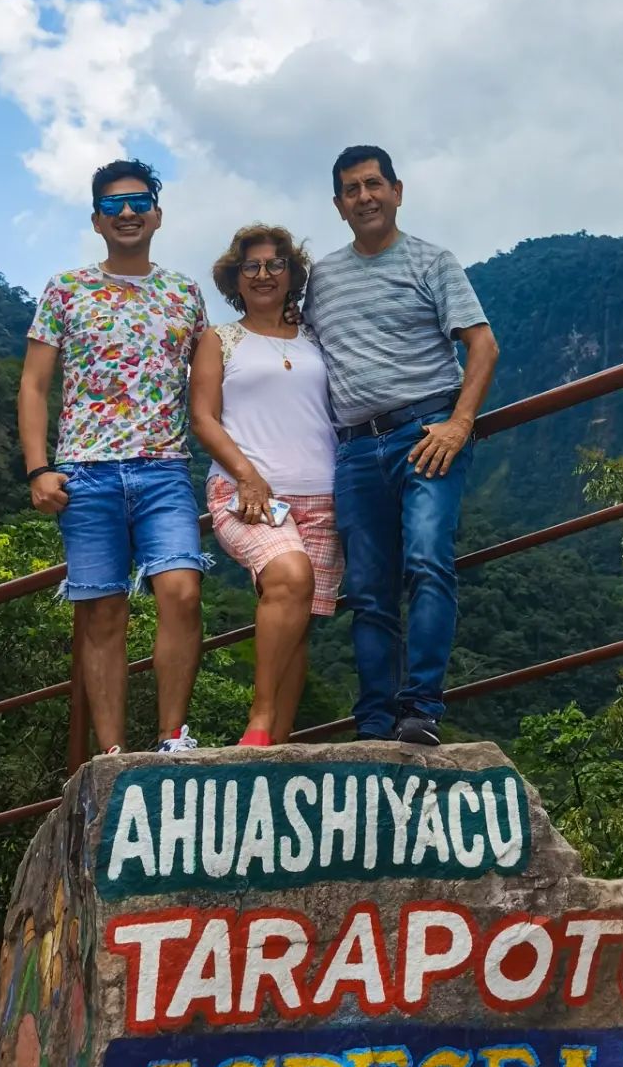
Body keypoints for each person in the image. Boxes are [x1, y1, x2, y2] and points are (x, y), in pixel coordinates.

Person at [306, 145, 499, 747]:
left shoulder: (432, 262)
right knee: (367, 591)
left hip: (426, 435)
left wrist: (460, 423)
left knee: (426, 561)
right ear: (338, 206)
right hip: (356, 448)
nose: (364, 197)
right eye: (351, 190)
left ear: (397, 190)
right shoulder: (323, 280)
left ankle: (421, 709)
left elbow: (483, 345)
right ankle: (374, 721)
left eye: (373, 185)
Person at [18, 159, 211, 757]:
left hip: (164, 470)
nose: (126, 213)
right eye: (112, 205)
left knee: (181, 591)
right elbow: (33, 385)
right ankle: (111, 756)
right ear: (97, 220)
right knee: (102, 614)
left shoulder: (185, 294)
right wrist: (38, 468)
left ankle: (172, 738)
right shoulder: (65, 289)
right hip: (85, 473)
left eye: (137, 201)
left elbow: (208, 393)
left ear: (156, 212)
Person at [191, 225, 342, 747]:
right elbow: (204, 419)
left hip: (323, 496)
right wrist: (248, 476)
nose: (262, 275)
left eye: (274, 265)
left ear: (291, 275)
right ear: (235, 278)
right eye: (250, 267)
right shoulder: (220, 339)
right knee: (287, 574)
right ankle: (259, 720)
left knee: (296, 623)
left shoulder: (315, 338)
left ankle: (275, 745)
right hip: (245, 492)